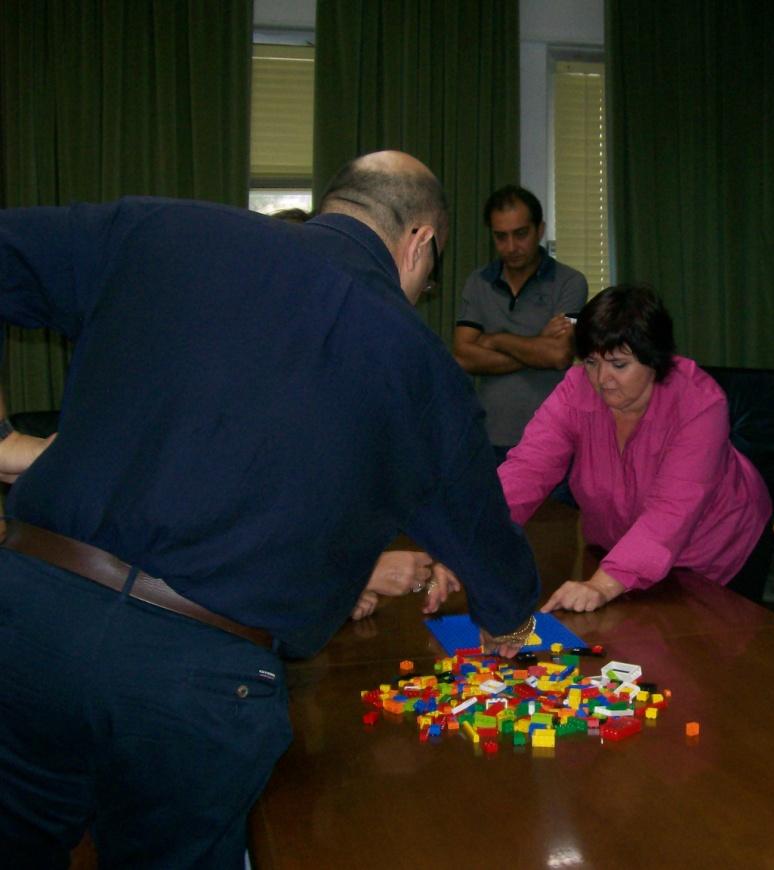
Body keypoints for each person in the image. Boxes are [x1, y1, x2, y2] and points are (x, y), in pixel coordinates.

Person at [0, 150, 540, 866]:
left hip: (28, 619)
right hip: (195, 683)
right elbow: (482, 536)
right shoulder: (417, 360)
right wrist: (510, 619)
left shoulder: (161, 229)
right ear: (421, 244)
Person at [500, 284, 772, 612]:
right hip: (628, 553)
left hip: (714, 550)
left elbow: (671, 512)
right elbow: (527, 469)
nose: (602, 379)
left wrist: (602, 585)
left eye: (618, 364)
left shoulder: (699, 404)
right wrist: (471, 542)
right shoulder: (575, 390)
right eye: (590, 362)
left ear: (654, 359)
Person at [453, 186, 589, 462]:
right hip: (489, 438)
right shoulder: (478, 283)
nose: (511, 247)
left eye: (521, 234)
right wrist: (538, 341)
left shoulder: (570, 283)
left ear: (540, 230)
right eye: (500, 237)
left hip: (552, 438)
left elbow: (559, 355)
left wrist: (495, 339)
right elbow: (463, 356)